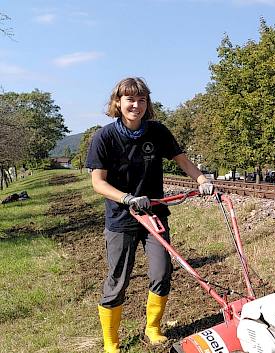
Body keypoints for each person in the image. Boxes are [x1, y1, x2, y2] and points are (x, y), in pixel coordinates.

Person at [86, 77, 214, 353]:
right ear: (118, 103)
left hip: (154, 214)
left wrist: (202, 180)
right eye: (130, 99)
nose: (136, 105)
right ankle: (111, 342)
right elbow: (98, 183)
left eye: (141, 99)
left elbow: (182, 160)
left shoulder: (157, 132)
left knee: (162, 271)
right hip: (121, 218)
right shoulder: (104, 137)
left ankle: (153, 328)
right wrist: (127, 198)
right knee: (118, 278)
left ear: (148, 103)